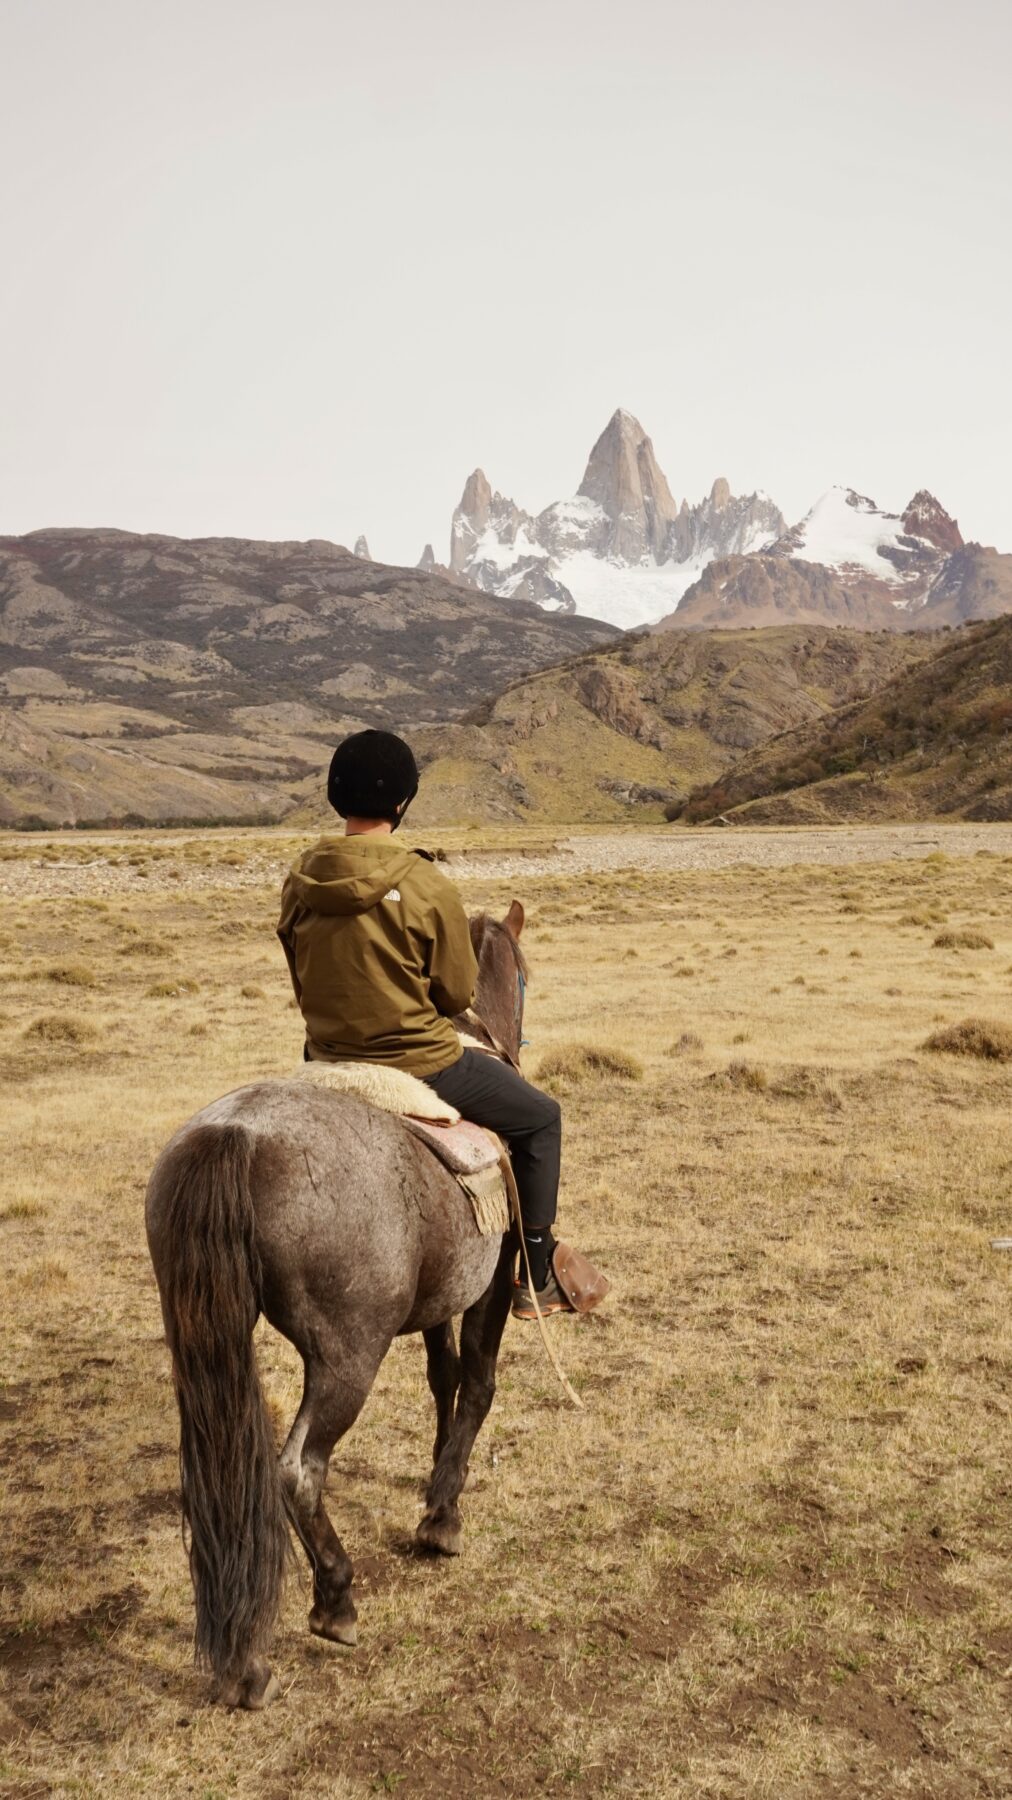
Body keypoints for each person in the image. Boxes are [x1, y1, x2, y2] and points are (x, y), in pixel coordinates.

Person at [276, 728, 574, 1319]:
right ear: (403, 803)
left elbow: (298, 975)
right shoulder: (425, 883)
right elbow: (458, 993)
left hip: (327, 1058)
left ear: (338, 798)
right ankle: (536, 1275)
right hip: (423, 1062)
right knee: (542, 1119)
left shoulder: (301, 880)